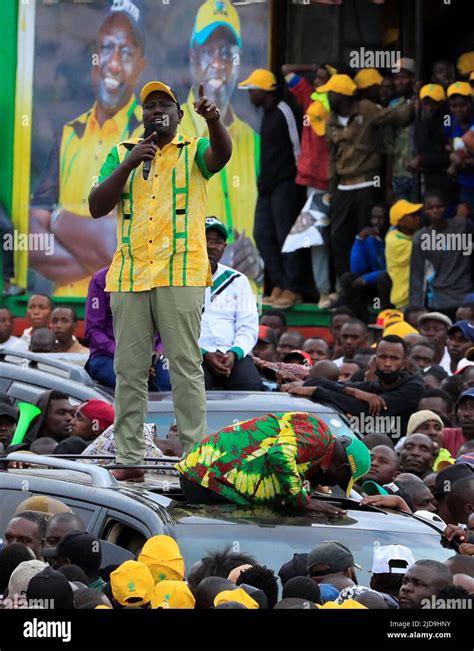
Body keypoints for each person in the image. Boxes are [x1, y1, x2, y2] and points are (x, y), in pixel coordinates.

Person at [89, 78, 232, 481]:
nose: (157, 109)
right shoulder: (122, 154)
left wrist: (215, 121)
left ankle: (195, 460)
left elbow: (221, 155)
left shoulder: (194, 150)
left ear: (179, 115)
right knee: (129, 370)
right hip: (131, 275)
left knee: (186, 366)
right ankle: (130, 459)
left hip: (181, 272)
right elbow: (98, 205)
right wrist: (131, 162)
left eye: (165, 104)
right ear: (142, 114)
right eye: (150, 104)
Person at [29, 3, 146, 297]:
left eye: (126, 53)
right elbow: (32, 243)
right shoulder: (68, 134)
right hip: (64, 307)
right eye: (106, 49)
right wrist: (101, 250)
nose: (114, 64)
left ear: (140, 66)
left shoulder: (149, 135)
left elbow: (137, 245)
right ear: (94, 57)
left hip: (121, 305)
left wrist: (59, 221)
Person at [181, 0, 263, 287]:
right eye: (208, 52)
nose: (218, 63)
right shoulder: (170, 132)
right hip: (186, 291)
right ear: (193, 58)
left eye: (227, 54)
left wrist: (260, 264)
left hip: (243, 300)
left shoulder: (254, 143)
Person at [318, 73, 413, 286]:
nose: (328, 98)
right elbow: (332, 157)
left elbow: (397, 117)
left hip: (367, 184)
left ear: (341, 95)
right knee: (339, 238)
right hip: (343, 186)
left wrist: (413, 102)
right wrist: (331, 189)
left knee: (366, 236)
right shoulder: (331, 120)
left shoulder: (367, 109)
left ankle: (368, 287)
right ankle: (344, 287)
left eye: (330, 93)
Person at [176, 411, 370, 512]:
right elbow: (279, 454)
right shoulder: (318, 432)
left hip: (211, 485)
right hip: (206, 480)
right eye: (340, 480)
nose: (333, 484)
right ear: (342, 467)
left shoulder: (312, 461)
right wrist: (302, 501)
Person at [238, 69, 304, 309]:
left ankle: (293, 288)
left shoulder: (284, 110)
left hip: (286, 184)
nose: (249, 95)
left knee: (286, 235)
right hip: (267, 187)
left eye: (251, 90)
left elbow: (298, 146)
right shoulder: (266, 114)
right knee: (263, 234)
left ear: (264, 90)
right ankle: (278, 284)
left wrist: (300, 181)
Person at [293, 335, 426, 439]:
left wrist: (317, 392)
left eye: (394, 358)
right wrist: (354, 392)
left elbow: (366, 408)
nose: (387, 363)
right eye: (383, 357)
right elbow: (316, 381)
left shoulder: (414, 387)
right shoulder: (372, 387)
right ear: (375, 360)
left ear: (404, 364)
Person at [281, 62, 331, 307]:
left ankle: (332, 292)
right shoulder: (310, 99)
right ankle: (323, 291)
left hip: (336, 183)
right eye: (317, 79)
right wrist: (312, 66)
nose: (319, 83)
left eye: (324, 79)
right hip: (313, 183)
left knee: (332, 238)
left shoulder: (340, 107)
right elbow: (287, 71)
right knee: (314, 236)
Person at [199, 217, 262, 390]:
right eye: (207, 240)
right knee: (195, 388)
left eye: (218, 241)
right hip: (195, 354)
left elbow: (248, 326)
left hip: (232, 353)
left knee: (250, 386)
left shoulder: (238, 280)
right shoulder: (179, 278)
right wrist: (205, 354)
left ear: (224, 247)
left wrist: (234, 353)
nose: (212, 246)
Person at [84, 267, 170, 391]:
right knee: (131, 384)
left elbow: (165, 325)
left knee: (170, 384)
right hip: (109, 356)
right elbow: (93, 331)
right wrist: (129, 355)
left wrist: (158, 351)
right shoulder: (102, 278)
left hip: (150, 358)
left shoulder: (158, 277)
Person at [409, 190, 473, 317]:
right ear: (425, 211)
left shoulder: (463, 226)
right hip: (439, 300)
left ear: (446, 207)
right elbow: (416, 276)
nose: (435, 211)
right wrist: (415, 309)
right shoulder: (420, 238)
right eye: (430, 208)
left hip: (465, 297)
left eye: (439, 206)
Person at [338, 203, 390, 321]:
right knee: (347, 278)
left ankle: (384, 319)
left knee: (383, 278)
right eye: (373, 217)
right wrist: (359, 240)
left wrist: (367, 278)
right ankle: (361, 319)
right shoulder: (369, 239)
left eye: (380, 218)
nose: (376, 222)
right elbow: (356, 269)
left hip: (387, 286)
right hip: (371, 286)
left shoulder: (393, 237)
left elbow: (391, 270)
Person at [409, 84, 456, 202]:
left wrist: (421, 159)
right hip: (429, 179)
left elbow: (449, 155)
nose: (429, 107)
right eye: (426, 103)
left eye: (433, 103)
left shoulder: (448, 121)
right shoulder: (421, 125)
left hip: (448, 179)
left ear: (441, 103)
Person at [387, 58, 417, 202]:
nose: (399, 82)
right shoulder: (393, 106)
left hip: (418, 173)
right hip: (398, 173)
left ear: (413, 79)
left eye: (403, 77)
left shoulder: (425, 102)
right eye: (396, 78)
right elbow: (388, 145)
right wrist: (387, 184)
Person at [385, 199, 422, 310]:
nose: (418, 218)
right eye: (413, 215)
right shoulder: (395, 242)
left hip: (416, 296)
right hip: (406, 300)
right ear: (401, 222)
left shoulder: (408, 235)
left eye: (418, 214)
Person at [445, 81, 474, 214]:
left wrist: (464, 162)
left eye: (463, 105)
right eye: (454, 106)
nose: (458, 109)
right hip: (465, 183)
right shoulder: (451, 121)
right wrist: (452, 158)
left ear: (470, 102)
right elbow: (449, 145)